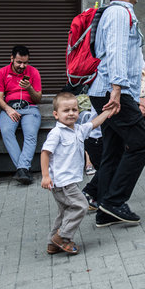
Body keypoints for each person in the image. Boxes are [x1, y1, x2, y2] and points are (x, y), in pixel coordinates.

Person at [88, 0, 145, 227]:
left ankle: (104, 210)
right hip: (112, 92)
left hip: (109, 90)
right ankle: (115, 201)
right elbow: (115, 51)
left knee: (113, 150)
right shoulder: (118, 12)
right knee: (141, 143)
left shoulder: (117, 12)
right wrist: (116, 91)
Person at [40, 92, 110, 255]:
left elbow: (94, 123)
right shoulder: (56, 133)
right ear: (56, 114)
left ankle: (52, 243)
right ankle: (62, 236)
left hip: (69, 181)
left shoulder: (78, 130)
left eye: (74, 109)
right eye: (66, 110)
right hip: (62, 182)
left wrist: (107, 112)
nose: (71, 113)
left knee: (65, 212)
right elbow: (45, 152)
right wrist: (45, 175)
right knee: (81, 205)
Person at [0, 45, 42, 185]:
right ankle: (24, 169)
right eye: (19, 62)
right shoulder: (2, 72)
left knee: (31, 133)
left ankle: (22, 169)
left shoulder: (33, 72)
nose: (22, 66)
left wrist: (29, 88)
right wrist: (8, 109)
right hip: (9, 108)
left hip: (30, 108)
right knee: (6, 131)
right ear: (12, 58)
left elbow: (38, 98)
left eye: (25, 63)